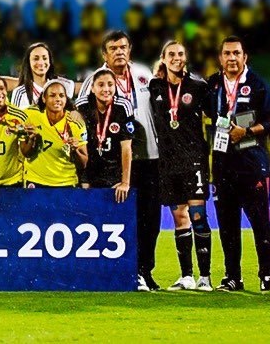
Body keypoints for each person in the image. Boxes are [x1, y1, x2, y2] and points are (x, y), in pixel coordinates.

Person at [75, 30, 161, 291]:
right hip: (114, 164)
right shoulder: (95, 80)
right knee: (123, 219)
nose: (119, 52)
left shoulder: (144, 74)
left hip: (149, 157)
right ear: (105, 54)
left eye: (123, 47)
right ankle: (126, 270)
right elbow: (80, 118)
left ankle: (145, 271)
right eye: (113, 48)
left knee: (151, 218)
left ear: (130, 49)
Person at [204, 36, 270, 292]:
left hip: (252, 166)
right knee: (227, 226)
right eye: (227, 53)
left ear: (244, 57)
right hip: (222, 165)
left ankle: (267, 276)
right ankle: (232, 277)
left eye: (236, 53)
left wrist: (247, 133)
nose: (232, 58)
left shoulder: (258, 84)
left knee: (261, 223)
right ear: (220, 58)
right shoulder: (214, 84)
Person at [148, 40, 213, 291]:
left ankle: (205, 277)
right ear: (163, 58)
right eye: (171, 54)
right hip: (168, 161)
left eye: (181, 54)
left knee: (198, 215)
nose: (177, 58)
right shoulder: (155, 86)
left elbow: (216, 113)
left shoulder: (197, 86)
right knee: (179, 217)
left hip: (194, 159)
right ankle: (186, 275)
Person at [77, 69, 133, 204]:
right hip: (87, 174)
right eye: (101, 85)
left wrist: (125, 182)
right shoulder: (82, 106)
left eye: (110, 84)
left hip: (113, 176)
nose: (106, 89)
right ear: (92, 88)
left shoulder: (123, 106)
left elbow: (126, 148)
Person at [23, 81, 87, 188]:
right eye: (52, 95)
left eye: (61, 96)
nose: (57, 99)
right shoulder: (31, 116)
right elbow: (25, 153)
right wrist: (31, 140)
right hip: (35, 180)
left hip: (66, 182)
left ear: (66, 99)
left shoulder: (75, 122)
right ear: (44, 98)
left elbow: (84, 163)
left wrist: (75, 151)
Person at [11, 42, 78, 109]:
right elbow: (14, 118)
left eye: (45, 58)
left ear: (49, 61)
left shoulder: (61, 83)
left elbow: (84, 89)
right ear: (28, 62)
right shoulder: (20, 93)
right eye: (36, 59)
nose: (41, 62)